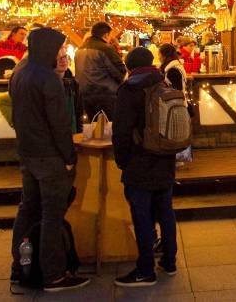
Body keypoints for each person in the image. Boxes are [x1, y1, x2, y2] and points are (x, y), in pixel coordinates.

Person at [9, 27, 89, 293]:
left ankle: (20, 265)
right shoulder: (48, 79)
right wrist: (68, 157)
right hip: (49, 156)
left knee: (27, 208)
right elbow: (58, 123)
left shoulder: (20, 72)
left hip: (27, 152)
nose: (63, 52)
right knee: (52, 215)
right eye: (60, 48)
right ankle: (53, 275)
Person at [113, 47, 178, 288]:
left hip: (140, 160)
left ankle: (145, 270)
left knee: (141, 215)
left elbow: (121, 130)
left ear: (129, 67)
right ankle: (170, 262)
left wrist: (122, 160)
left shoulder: (129, 89)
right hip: (166, 159)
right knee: (166, 211)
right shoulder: (165, 82)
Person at [75, 22, 125, 120]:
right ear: (106, 35)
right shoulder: (105, 48)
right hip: (105, 95)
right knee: (108, 127)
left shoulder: (79, 50)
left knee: (93, 126)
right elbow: (119, 70)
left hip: (85, 95)